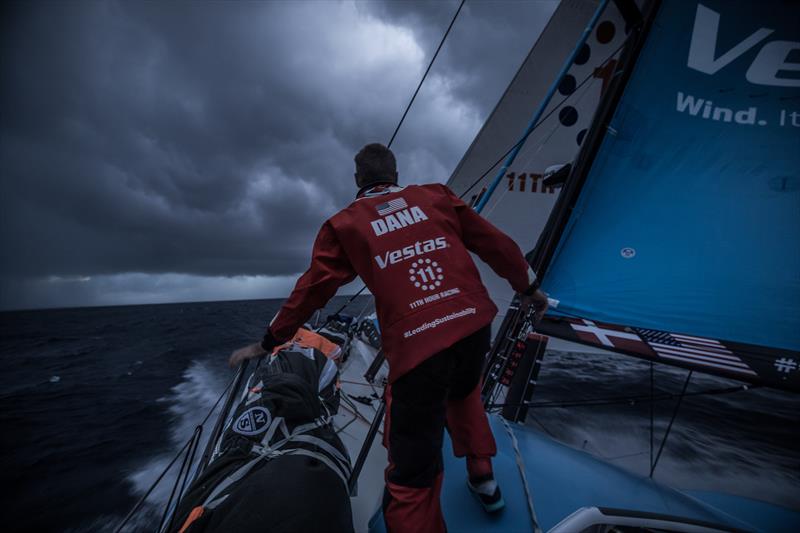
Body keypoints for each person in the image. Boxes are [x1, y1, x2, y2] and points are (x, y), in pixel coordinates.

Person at [229, 143, 549, 533]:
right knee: (464, 391)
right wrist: (529, 287)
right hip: (473, 324)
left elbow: (311, 290)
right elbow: (494, 243)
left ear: (357, 180)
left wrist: (268, 341)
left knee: (410, 464)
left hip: (418, 347)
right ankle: (484, 478)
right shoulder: (437, 196)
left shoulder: (344, 225)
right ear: (395, 174)